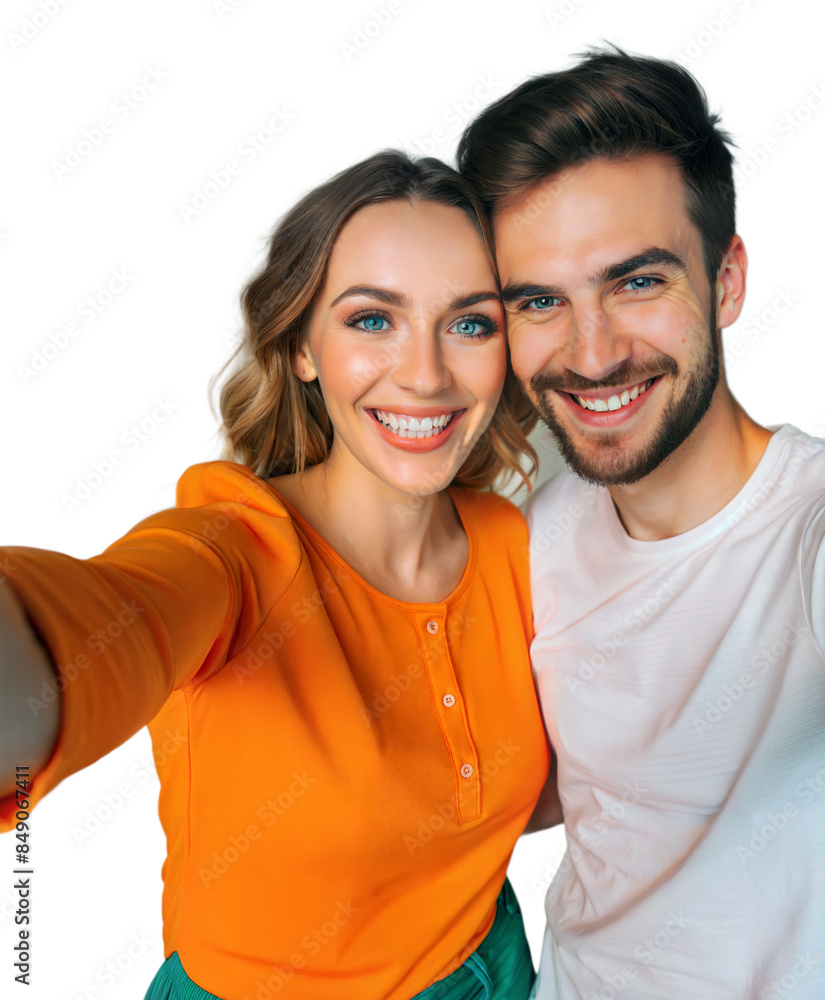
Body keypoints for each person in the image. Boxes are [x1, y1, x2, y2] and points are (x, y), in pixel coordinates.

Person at [458, 47, 825, 999]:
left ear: (727, 281)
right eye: (541, 301)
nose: (591, 354)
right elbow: (551, 778)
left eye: (637, 283)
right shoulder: (524, 521)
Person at [0, 151, 550, 1000]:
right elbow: (115, 617)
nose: (427, 373)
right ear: (300, 346)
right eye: (373, 320)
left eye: (470, 324)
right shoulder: (237, 550)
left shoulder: (516, 544)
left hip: (492, 971)